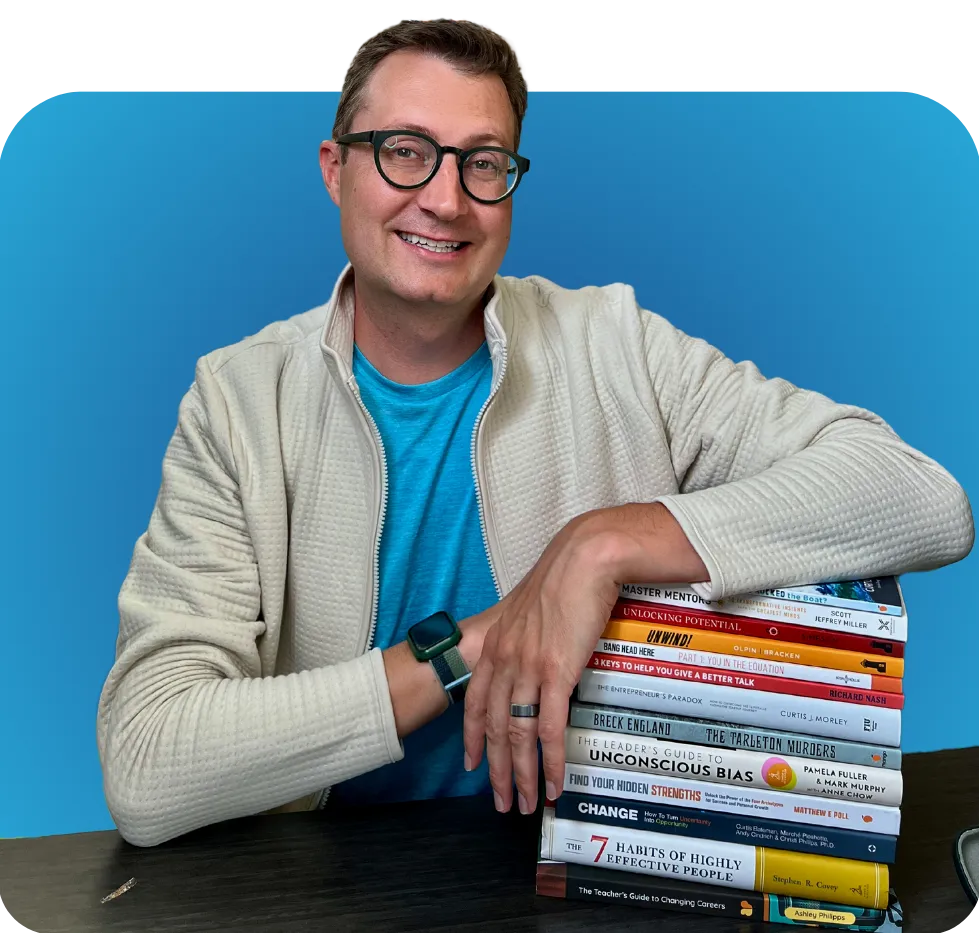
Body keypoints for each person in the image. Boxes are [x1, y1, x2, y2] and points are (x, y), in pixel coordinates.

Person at [96, 19, 974, 848]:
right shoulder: (237, 401)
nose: (445, 199)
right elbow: (147, 763)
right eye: (404, 152)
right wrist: (477, 644)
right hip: (328, 879)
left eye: (482, 162)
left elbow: (921, 498)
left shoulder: (617, 344)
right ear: (336, 169)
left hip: (599, 857)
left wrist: (601, 544)